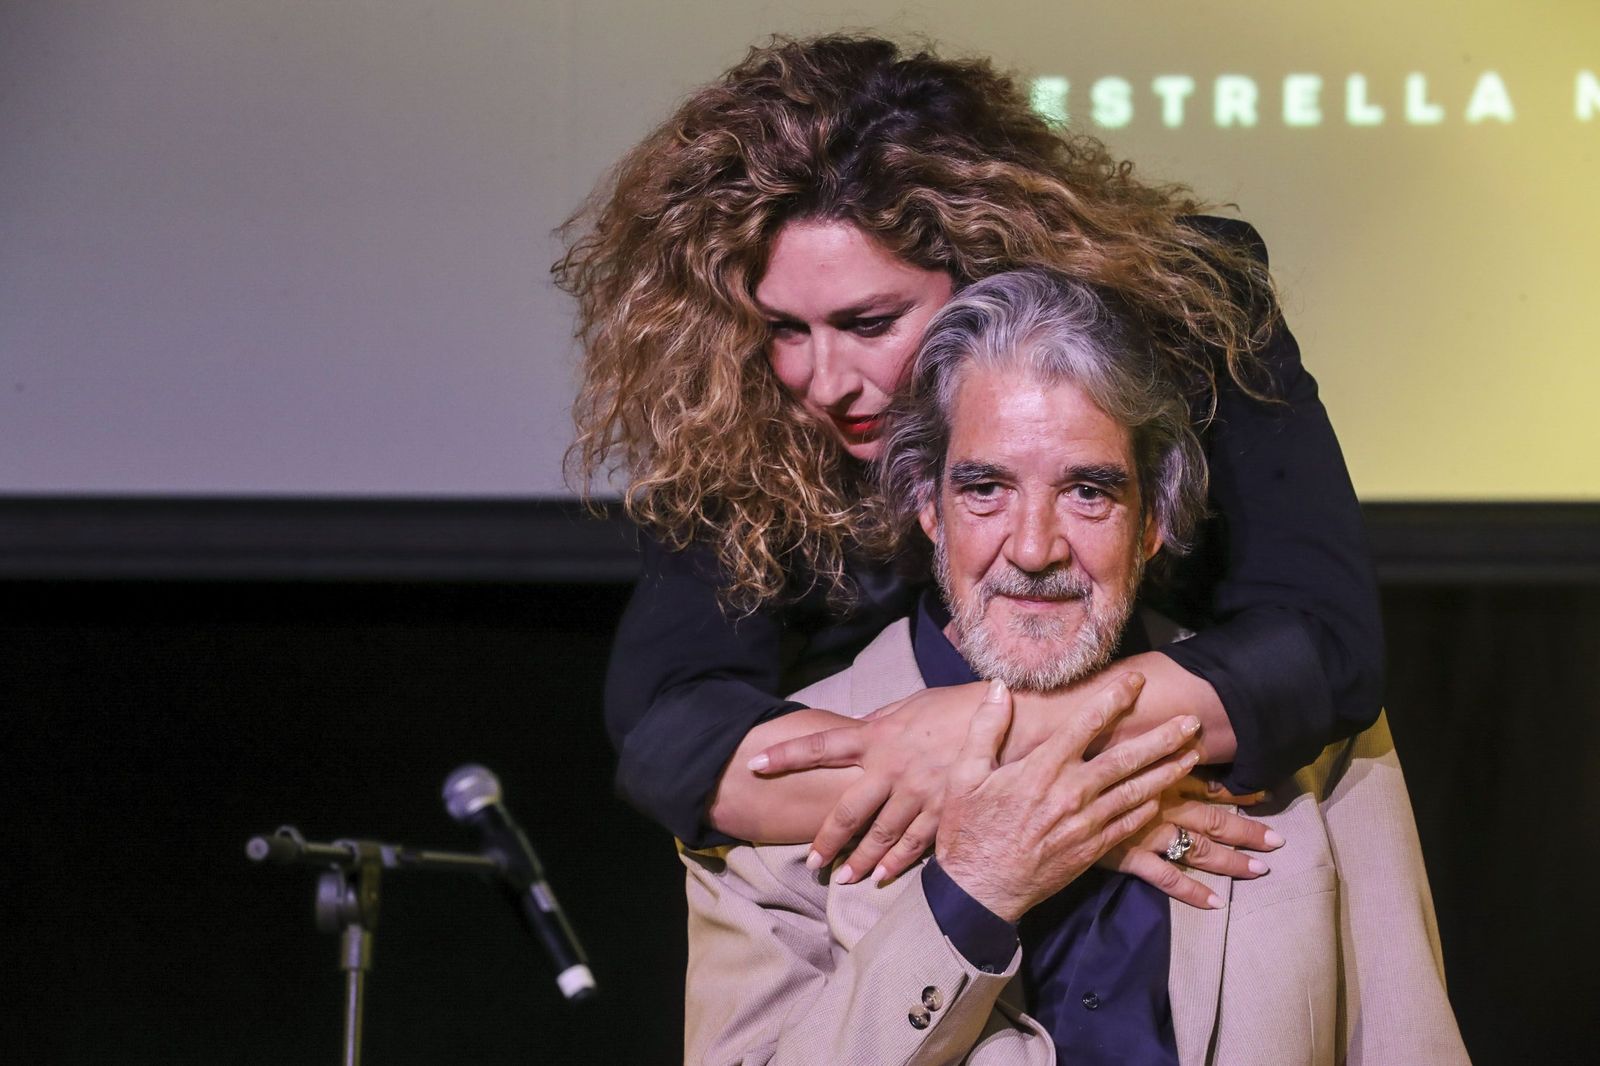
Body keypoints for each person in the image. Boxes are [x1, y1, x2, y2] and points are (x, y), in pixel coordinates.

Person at [556, 34, 1382, 896]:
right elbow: (670, 733)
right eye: (786, 330)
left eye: (870, 323)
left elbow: (1323, 647)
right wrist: (1045, 808)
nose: (826, 382)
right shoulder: (748, 414)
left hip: (1238, 862)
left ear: (986, 267)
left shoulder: (1194, 316)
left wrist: (1001, 739)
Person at [682, 271, 1466, 1065]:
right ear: (928, 507)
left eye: (1088, 492)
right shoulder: (773, 786)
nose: (1034, 549)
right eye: (985, 488)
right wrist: (974, 888)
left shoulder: (1310, 742)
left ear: (1154, 518)